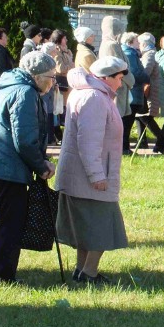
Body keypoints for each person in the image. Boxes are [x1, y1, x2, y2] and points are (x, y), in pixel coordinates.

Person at [55, 57, 129, 285]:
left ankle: (82, 270)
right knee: (102, 227)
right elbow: (88, 141)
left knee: (87, 228)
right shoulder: (95, 98)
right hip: (89, 176)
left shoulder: (93, 94)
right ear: (105, 78)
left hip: (82, 174)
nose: (121, 83)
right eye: (119, 78)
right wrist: (97, 175)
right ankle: (88, 273)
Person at [0, 51, 56, 284]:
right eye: (51, 76)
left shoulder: (12, 86)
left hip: (1, 165)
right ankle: (1, 276)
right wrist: (40, 165)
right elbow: (25, 139)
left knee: (8, 220)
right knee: (11, 222)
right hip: (7, 168)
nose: (53, 81)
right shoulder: (25, 92)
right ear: (36, 76)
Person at [98, 16, 135, 140]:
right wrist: (131, 80)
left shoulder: (113, 44)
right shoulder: (111, 45)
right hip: (116, 86)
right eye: (120, 30)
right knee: (115, 119)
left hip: (120, 84)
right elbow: (118, 68)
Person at [121, 32, 150, 153]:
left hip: (133, 91)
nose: (139, 44)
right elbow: (135, 72)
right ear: (130, 42)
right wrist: (147, 77)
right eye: (137, 41)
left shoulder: (131, 53)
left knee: (128, 121)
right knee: (127, 121)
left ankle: (125, 147)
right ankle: (125, 147)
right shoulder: (130, 54)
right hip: (132, 92)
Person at [136, 33, 162, 145]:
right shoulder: (149, 53)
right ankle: (142, 141)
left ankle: (162, 139)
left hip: (150, 90)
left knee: (145, 117)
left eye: (140, 43)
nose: (138, 46)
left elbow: (146, 71)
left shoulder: (149, 54)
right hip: (149, 89)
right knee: (140, 115)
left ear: (144, 44)